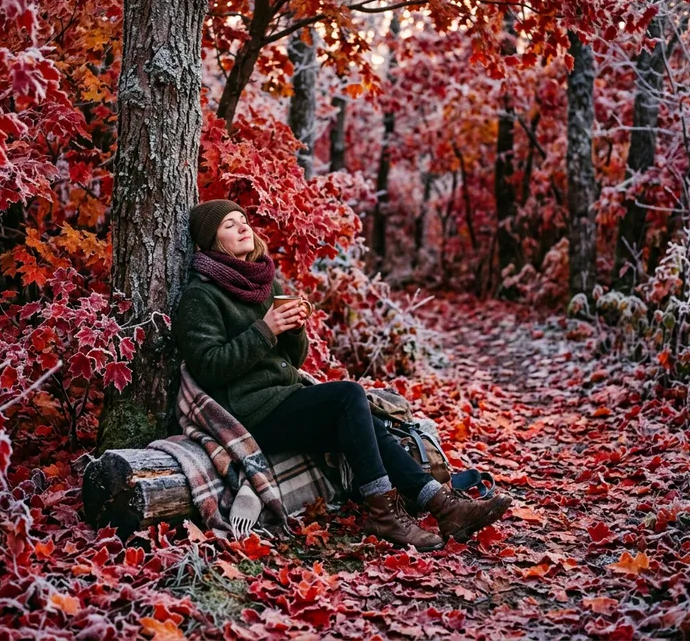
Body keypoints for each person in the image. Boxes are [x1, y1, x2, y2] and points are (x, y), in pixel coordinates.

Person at [175, 198, 511, 551]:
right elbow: (209, 368)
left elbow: (294, 360)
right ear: (211, 242)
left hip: (283, 398)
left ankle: (444, 506)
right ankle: (386, 517)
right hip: (249, 414)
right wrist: (266, 330)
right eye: (229, 224)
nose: (243, 226)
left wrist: (292, 330)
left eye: (243, 219)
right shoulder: (202, 296)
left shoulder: (263, 283)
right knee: (348, 396)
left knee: (365, 418)